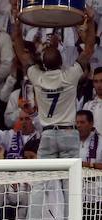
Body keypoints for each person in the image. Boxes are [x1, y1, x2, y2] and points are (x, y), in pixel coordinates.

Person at [12, 5, 94, 159]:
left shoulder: (37, 77)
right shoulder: (70, 75)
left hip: (48, 133)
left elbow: (19, 51)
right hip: (68, 133)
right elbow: (89, 49)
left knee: (47, 177)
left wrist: (17, 22)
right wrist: (91, 20)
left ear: (43, 63)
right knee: (70, 179)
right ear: (62, 60)